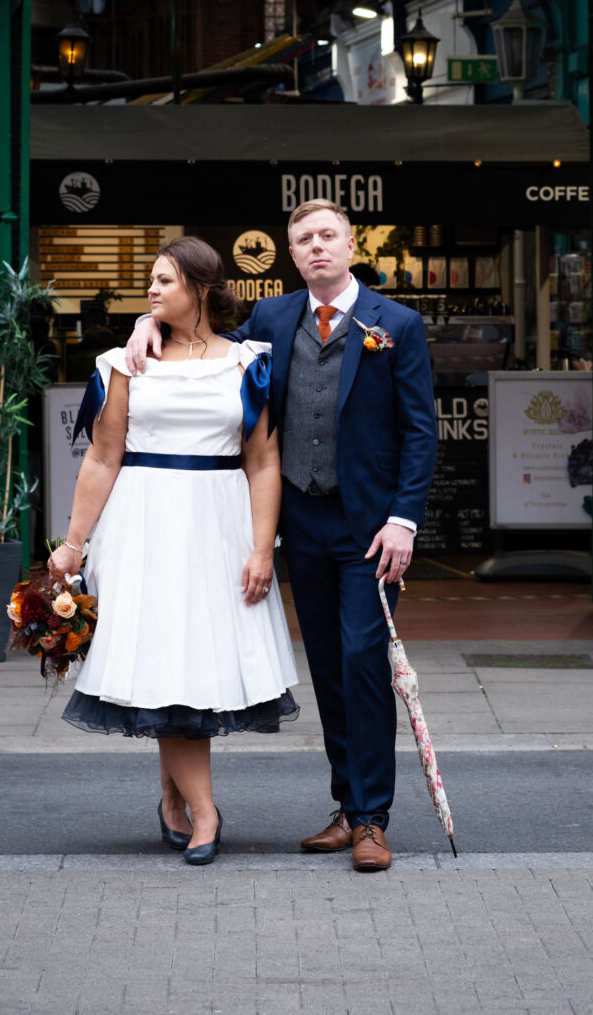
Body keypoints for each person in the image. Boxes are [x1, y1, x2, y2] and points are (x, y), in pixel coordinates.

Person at [125, 201, 438, 871]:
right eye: (304, 240)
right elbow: (197, 326)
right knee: (326, 664)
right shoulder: (269, 319)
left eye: (328, 236)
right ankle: (347, 809)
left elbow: (420, 432)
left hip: (371, 529)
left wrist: (404, 519)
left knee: (362, 659)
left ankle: (373, 821)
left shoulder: (397, 325)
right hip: (299, 519)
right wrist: (145, 321)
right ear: (292, 255)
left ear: (351, 245)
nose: (317, 247)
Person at [49, 236, 298, 866]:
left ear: (202, 289)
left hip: (218, 525)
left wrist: (263, 549)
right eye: (151, 282)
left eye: (165, 281)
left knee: (195, 667)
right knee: (166, 664)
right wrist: (73, 544)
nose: (152, 291)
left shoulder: (248, 364)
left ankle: (172, 798)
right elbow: (103, 458)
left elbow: (264, 461)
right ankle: (205, 811)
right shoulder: (124, 363)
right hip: (143, 525)